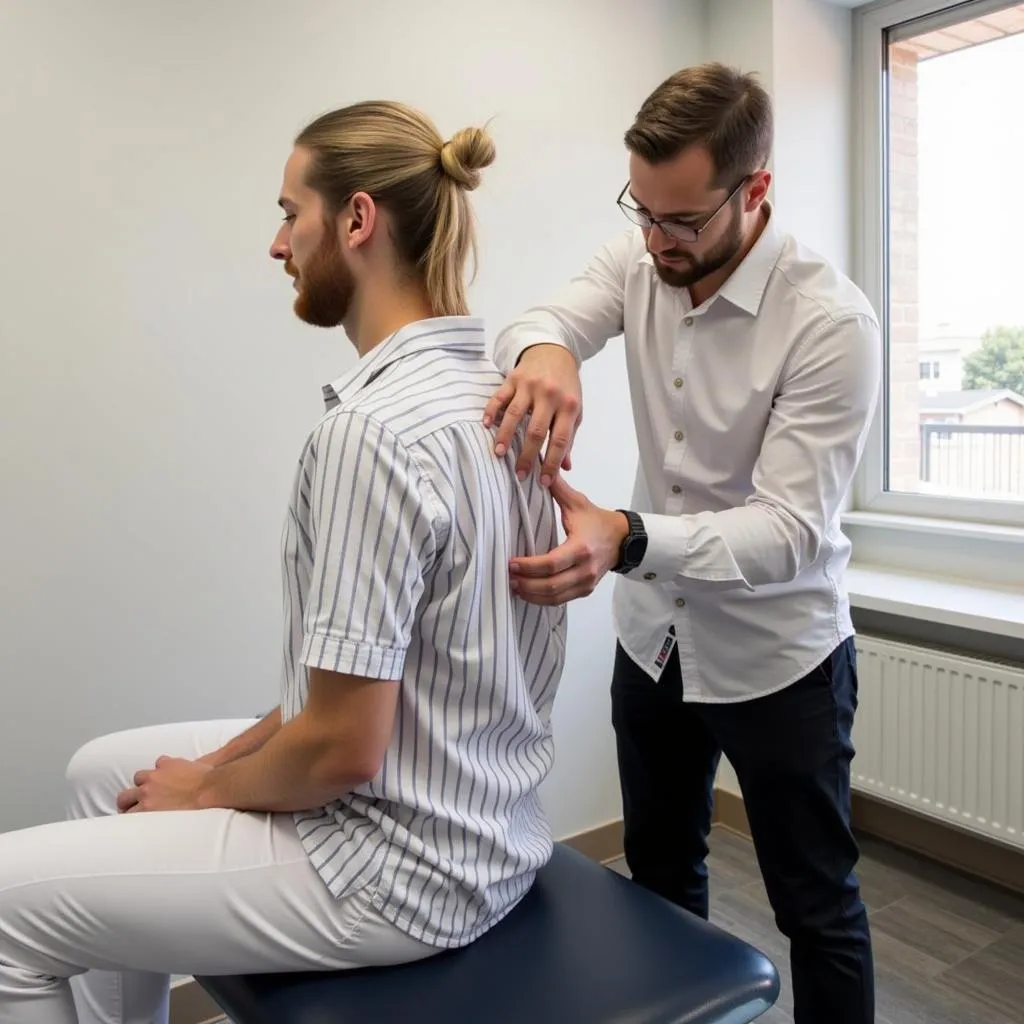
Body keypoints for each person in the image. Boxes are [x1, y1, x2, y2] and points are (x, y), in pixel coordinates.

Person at [0, 100, 566, 1024]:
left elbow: (343, 748)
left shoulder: (371, 434)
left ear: (355, 220)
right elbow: (361, 679)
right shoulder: (500, 400)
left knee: (4, 914)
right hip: (486, 827)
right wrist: (211, 765)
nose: (277, 245)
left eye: (288, 213)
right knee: (102, 772)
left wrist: (209, 789)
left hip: (398, 870)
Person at [485, 63, 881, 1024]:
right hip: (652, 643)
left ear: (756, 192)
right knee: (660, 877)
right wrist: (544, 353)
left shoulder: (830, 323)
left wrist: (623, 538)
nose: (655, 240)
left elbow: (788, 532)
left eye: (682, 222)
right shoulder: (639, 256)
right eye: (642, 212)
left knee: (816, 907)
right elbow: (540, 319)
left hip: (779, 660)